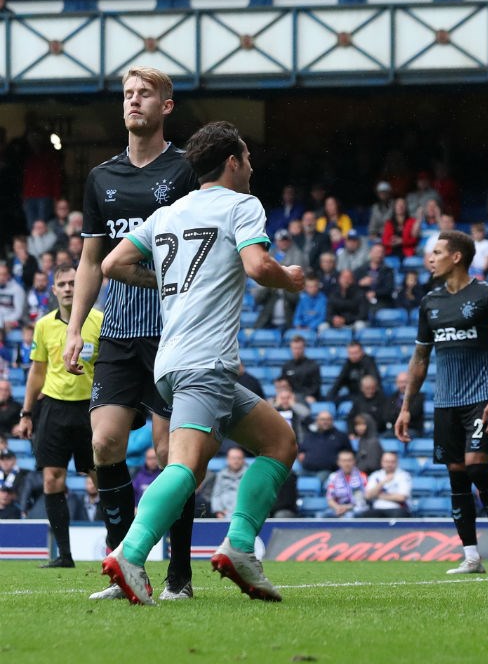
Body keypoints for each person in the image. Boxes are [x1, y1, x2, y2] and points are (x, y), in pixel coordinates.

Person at [97, 120, 303, 605]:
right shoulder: (242, 205)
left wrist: (170, 285)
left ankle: (239, 547)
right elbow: (258, 266)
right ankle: (131, 553)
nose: (250, 167)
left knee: (280, 442)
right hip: (203, 362)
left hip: (175, 362)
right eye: (247, 157)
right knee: (187, 466)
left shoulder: (167, 213)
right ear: (232, 162)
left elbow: (112, 264)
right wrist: (288, 277)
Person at [62, 66, 200, 602]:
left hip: (173, 332)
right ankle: (124, 568)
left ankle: (179, 576)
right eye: (128, 94)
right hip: (118, 331)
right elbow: (91, 259)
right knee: (104, 442)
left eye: (145, 93)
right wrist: (75, 328)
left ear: (167, 106)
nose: (134, 100)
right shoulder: (102, 176)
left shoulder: (186, 170)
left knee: (171, 454)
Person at [394, 230, 488, 575]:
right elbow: (420, 358)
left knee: (477, 466)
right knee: (457, 476)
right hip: (445, 401)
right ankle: (471, 556)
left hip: (482, 398)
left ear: (456, 257)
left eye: (436, 253)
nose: (430, 259)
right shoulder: (429, 303)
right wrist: (406, 407)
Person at [12, 264, 103, 568]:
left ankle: (119, 548)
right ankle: (64, 555)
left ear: (83, 285)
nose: (67, 288)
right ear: (53, 290)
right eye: (62, 284)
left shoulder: (99, 321)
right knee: (52, 479)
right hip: (53, 408)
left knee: (102, 478)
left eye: (73, 283)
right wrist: (26, 413)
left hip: (90, 408)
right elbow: (37, 372)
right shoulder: (43, 325)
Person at [360, 451, 412, 517]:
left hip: (397, 508)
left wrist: (378, 496)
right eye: (387, 462)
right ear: (382, 462)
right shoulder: (375, 475)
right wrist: (382, 483)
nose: (389, 464)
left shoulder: (403, 475)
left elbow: (401, 497)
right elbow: (367, 496)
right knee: (365, 515)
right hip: (377, 509)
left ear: (397, 463)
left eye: (392, 462)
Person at [297, 409, 350, 475]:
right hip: (306, 470)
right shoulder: (309, 436)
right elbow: (301, 450)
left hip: (328, 471)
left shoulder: (341, 436)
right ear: (317, 421)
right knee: (290, 477)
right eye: (322, 419)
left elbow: (349, 453)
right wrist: (300, 454)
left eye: (328, 419)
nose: (325, 422)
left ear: (332, 421)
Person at [325, 450, 368, 517]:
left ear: (354, 461)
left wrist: (347, 508)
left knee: (351, 515)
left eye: (349, 460)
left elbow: (365, 497)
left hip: (357, 508)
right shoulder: (333, 477)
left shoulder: (362, 476)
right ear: (338, 462)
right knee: (322, 515)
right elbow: (330, 499)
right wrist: (338, 508)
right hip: (338, 508)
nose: (346, 464)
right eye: (343, 461)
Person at [279, 335, 321, 404]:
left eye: (299, 348)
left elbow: (315, 387)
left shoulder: (313, 365)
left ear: (304, 348)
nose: (297, 351)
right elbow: (283, 383)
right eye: (294, 348)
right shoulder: (286, 366)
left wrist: (307, 396)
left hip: (307, 397)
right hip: (290, 398)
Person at [210, 447, 247, 518]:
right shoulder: (221, 475)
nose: (236, 461)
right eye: (233, 458)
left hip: (244, 515)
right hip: (224, 515)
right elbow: (216, 495)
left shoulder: (249, 475)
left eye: (239, 458)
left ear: (243, 460)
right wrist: (219, 512)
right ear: (227, 460)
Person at [389, 370, 424, 437]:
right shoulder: (391, 397)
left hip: (412, 429)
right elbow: (387, 415)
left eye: (405, 382)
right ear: (396, 384)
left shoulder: (418, 396)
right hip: (394, 430)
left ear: (410, 383)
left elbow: (413, 413)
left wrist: (397, 413)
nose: (403, 385)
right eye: (400, 382)